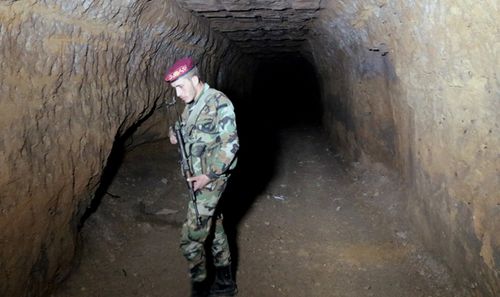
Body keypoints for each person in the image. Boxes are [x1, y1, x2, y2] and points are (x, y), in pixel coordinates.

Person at [164, 57, 239, 297]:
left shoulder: (219, 103)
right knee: (215, 228)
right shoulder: (192, 105)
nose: (177, 94)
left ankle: (200, 289)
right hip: (198, 179)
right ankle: (225, 285)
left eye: (180, 87)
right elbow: (182, 127)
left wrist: (208, 175)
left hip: (211, 181)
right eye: (174, 89)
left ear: (195, 80)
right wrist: (174, 134)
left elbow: (231, 145)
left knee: (191, 239)